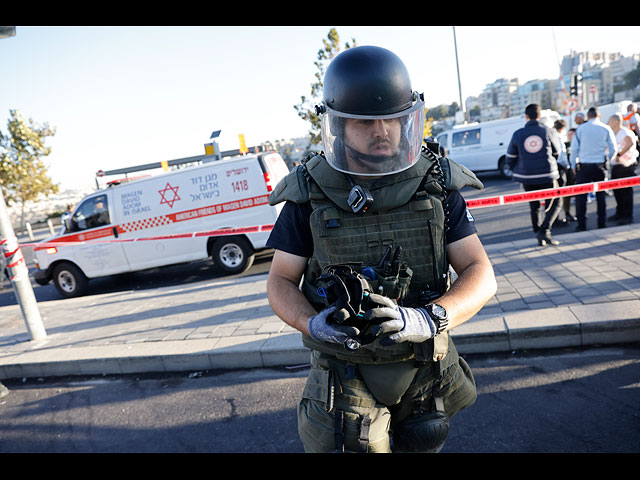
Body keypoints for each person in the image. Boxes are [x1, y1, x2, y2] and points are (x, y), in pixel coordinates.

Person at [265, 45, 497, 453]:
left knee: (426, 441)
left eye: (392, 119)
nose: (382, 131)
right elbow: (280, 280)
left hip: (425, 364)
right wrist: (312, 323)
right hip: (344, 372)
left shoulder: (437, 184)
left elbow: (480, 271)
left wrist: (429, 318)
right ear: (338, 126)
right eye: (364, 121)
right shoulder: (309, 194)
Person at [505, 103, 563, 246]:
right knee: (555, 202)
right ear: (539, 116)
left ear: (526, 117)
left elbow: (510, 157)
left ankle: (539, 232)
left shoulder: (518, 134)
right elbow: (557, 153)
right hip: (548, 175)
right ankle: (545, 231)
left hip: (527, 177)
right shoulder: (548, 131)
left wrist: (517, 169)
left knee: (534, 205)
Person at [569, 107, 618, 231]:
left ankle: (582, 224)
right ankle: (601, 222)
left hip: (584, 166)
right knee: (601, 196)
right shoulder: (605, 128)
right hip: (599, 166)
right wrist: (607, 159)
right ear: (599, 115)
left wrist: (573, 165)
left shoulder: (581, 129)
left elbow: (574, 149)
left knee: (581, 197)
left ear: (588, 116)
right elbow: (613, 148)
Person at [607, 113, 638, 225]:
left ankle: (627, 215)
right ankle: (619, 213)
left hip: (626, 165)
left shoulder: (624, 132)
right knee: (617, 191)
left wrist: (619, 155)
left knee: (626, 192)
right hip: (617, 165)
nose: (608, 124)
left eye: (609, 122)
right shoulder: (614, 133)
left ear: (616, 122)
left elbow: (629, 143)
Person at [552, 119, 577, 225]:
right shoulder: (559, 137)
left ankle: (556, 216)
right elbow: (562, 155)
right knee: (562, 192)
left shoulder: (551, 135)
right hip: (561, 168)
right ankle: (561, 215)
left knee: (557, 193)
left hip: (553, 168)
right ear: (563, 129)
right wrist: (568, 167)